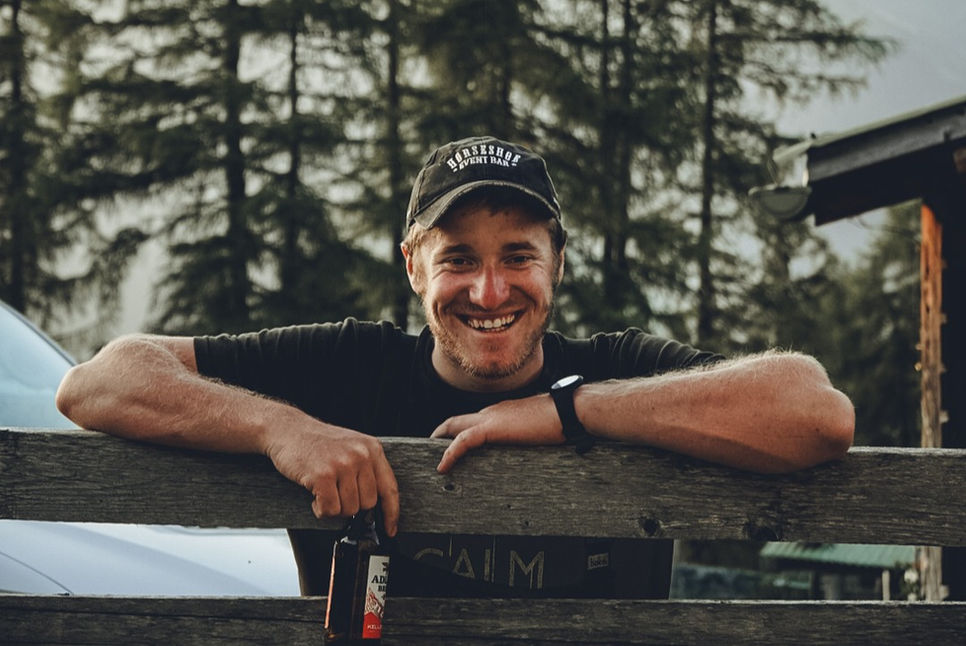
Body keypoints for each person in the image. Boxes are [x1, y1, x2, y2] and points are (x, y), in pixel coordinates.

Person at [56, 135, 854, 598]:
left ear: (559, 263)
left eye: (518, 257)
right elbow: (98, 381)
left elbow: (816, 413)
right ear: (413, 266)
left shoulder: (619, 367)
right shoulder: (350, 365)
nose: (490, 291)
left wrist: (568, 411)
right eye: (459, 259)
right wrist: (280, 429)